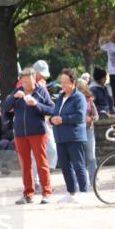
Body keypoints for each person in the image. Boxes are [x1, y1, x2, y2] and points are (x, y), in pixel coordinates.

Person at [1, 67, 54, 203]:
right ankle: (28, 194)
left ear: (34, 79)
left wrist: (36, 104)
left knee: (42, 162)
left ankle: (47, 193)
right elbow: (5, 107)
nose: (25, 84)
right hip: (20, 134)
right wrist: (13, 97)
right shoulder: (18, 91)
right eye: (23, 81)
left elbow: (51, 109)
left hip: (38, 133)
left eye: (28, 81)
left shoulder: (41, 91)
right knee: (25, 164)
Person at [43, 69, 88, 203]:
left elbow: (80, 116)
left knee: (78, 165)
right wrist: (51, 120)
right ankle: (71, 192)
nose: (62, 85)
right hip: (60, 137)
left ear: (73, 83)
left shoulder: (79, 97)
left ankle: (84, 192)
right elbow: (54, 113)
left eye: (65, 82)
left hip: (75, 137)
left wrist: (63, 119)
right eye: (61, 82)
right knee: (65, 166)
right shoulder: (60, 97)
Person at [79, 79, 99, 186]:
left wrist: (90, 118)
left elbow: (96, 116)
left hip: (88, 131)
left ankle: (94, 180)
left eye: (81, 90)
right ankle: (82, 181)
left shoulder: (89, 102)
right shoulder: (72, 101)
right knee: (79, 157)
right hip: (77, 132)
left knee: (91, 156)